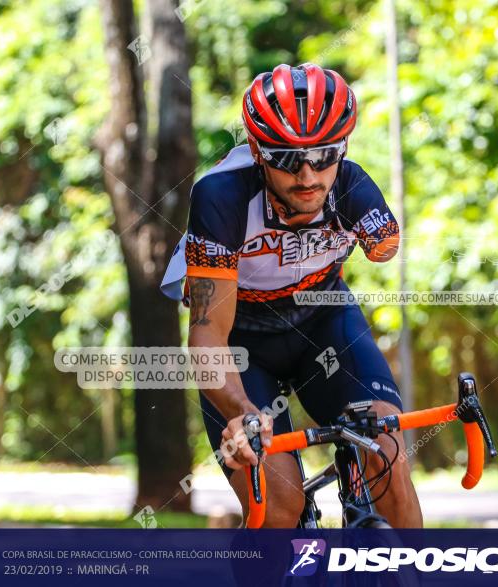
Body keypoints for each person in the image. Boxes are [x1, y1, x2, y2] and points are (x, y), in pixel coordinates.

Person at [161, 63, 422, 528]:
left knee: (389, 460)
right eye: (286, 158)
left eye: (325, 154)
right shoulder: (221, 197)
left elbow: (386, 246)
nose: (307, 175)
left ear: (344, 148)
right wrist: (241, 414)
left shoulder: (351, 186)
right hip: (242, 346)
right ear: (258, 151)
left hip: (325, 324)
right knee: (279, 509)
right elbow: (208, 334)